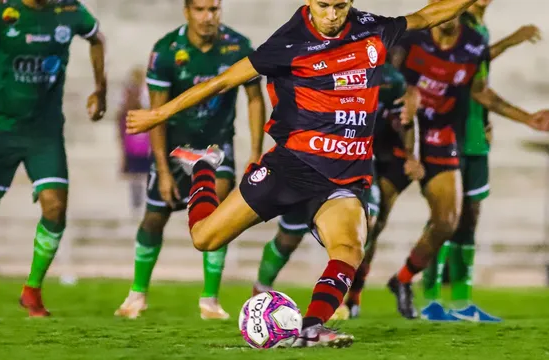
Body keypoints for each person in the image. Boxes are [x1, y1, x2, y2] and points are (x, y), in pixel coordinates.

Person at [127, 0, 486, 348]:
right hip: (291, 167)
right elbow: (222, 82)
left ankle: (312, 328)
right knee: (205, 239)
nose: (331, 15)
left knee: (349, 248)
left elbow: (429, 14)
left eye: (340, 6)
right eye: (323, 5)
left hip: (345, 174)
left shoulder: (372, 30)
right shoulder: (288, 42)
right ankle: (204, 166)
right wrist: (158, 116)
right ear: (309, 2)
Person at [384, 0, 549, 321]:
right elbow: (390, 79)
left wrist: (523, 118)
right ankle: (358, 300)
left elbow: (479, 87)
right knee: (390, 217)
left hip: (455, 136)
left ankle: (427, 289)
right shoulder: (417, 33)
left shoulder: (474, 38)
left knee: (455, 222)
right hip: (415, 135)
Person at [114, 0, 266, 320]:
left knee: (220, 208)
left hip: (216, 148)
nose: (207, 16)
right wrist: (163, 170)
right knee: (155, 219)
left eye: (213, 9)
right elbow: (156, 112)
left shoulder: (238, 47)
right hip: (173, 149)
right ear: (186, 12)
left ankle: (210, 300)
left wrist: (255, 151)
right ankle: (137, 294)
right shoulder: (166, 51)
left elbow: (254, 99)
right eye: (200, 9)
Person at [0, 0, 106, 317]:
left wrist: (100, 88)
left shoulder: (70, 11)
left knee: (55, 207)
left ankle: (32, 291)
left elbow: (97, 38)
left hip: (45, 132)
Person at [252, 63, 412, 322]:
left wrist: (409, 146)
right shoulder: (319, 69)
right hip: (308, 161)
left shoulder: (390, 80)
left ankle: (336, 302)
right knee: (288, 238)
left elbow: (401, 119)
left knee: (358, 231)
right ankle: (260, 289)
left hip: (354, 163)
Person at [420, 0, 544, 322]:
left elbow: (480, 85)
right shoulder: (453, 21)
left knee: (470, 216)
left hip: (474, 133)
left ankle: (462, 302)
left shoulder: (479, 26)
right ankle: (430, 300)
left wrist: (489, 119)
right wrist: (512, 40)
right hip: (449, 132)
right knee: (445, 216)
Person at [117, 66, 151, 219]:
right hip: (135, 139)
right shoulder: (131, 94)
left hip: (140, 139)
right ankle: (138, 203)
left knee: (141, 175)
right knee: (137, 175)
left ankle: (141, 203)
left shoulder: (143, 93)